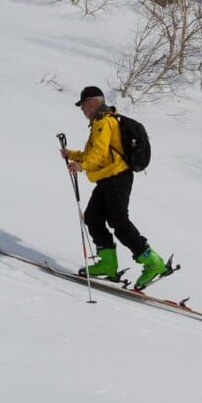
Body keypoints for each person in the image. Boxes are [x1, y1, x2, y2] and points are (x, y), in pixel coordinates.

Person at [59, 86, 168, 290]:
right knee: (92, 217)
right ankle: (108, 264)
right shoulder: (101, 123)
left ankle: (153, 262)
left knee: (119, 221)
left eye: (82, 104)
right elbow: (97, 153)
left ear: (93, 102)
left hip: (117, 177)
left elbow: (99, 154)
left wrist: (81, 165)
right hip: (108, 178)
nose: (81, 109)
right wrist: (72, 155)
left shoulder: (104, 122)